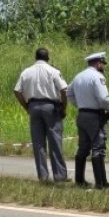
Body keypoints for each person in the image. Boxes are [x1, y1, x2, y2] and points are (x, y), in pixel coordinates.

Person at [13, 47, 69, 182]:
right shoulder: (53, 71)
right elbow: (64, 90)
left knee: (38, 143)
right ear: (47, 58)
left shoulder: (26, 72)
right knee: (55, 141)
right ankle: (60, 176)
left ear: (35, 57)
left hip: (33, 106)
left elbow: (17, 91)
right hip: (51, 106)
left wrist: (26, 106)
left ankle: (43, 176)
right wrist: (63, 107)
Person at [67, 52, 109, 189]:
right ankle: (101, 183)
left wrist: (79, 104)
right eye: (102, 64)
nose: (103, 67)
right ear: (98, 63)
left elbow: (68, 93)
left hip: (82, 115)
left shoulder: (78, 76)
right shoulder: (97, 76)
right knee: (98, 147)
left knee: (83, 147)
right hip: (95, 116)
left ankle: (79, 180)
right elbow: (103, 98)